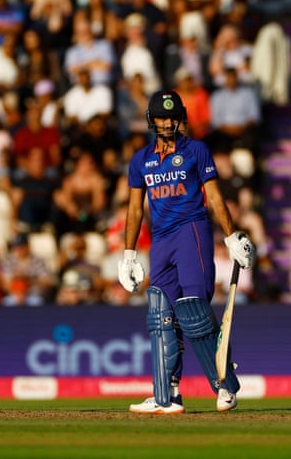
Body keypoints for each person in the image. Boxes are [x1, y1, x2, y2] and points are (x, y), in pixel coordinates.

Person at [119, 89, 256, 414]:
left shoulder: (196, 150)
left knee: (193, 309)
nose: (168, 123)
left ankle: (225, 386)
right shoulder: (141, 160)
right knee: (160, 315)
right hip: (161, 240)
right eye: (162, 117)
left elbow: (214, 196)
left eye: (173, 116)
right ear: (152, 121)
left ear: (181, 118)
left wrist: (231, 236)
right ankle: (168, 396)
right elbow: (135, 209)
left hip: (191, 231)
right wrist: (128, 254)